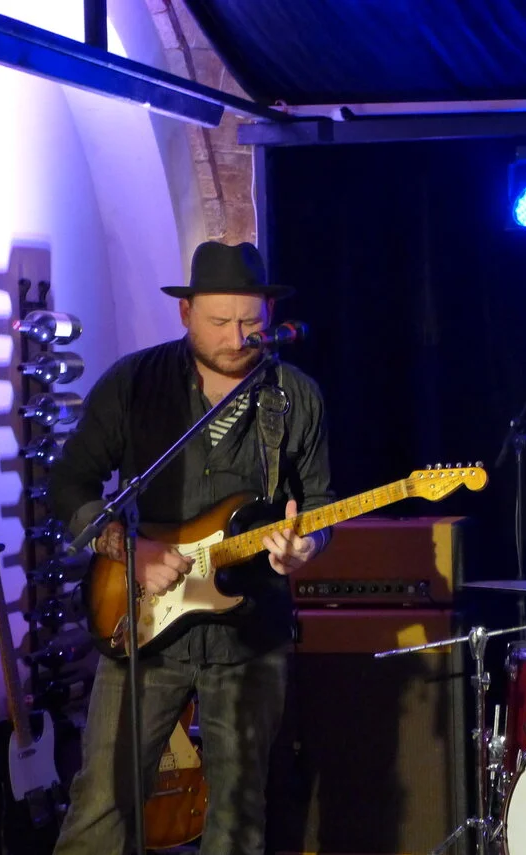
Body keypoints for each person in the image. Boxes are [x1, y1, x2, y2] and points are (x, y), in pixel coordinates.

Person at [49, 241, 334, 854]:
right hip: (141, 623)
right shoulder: (134, 383)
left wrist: (306, 545)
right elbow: (69, 483)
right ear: (186, 314)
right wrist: (130, 550)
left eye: (251, 323)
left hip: (249, 632)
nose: (237, 338)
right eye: (219, 321)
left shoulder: (295, 397)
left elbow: (317, 506)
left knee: (238, 814)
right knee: (101, 803)